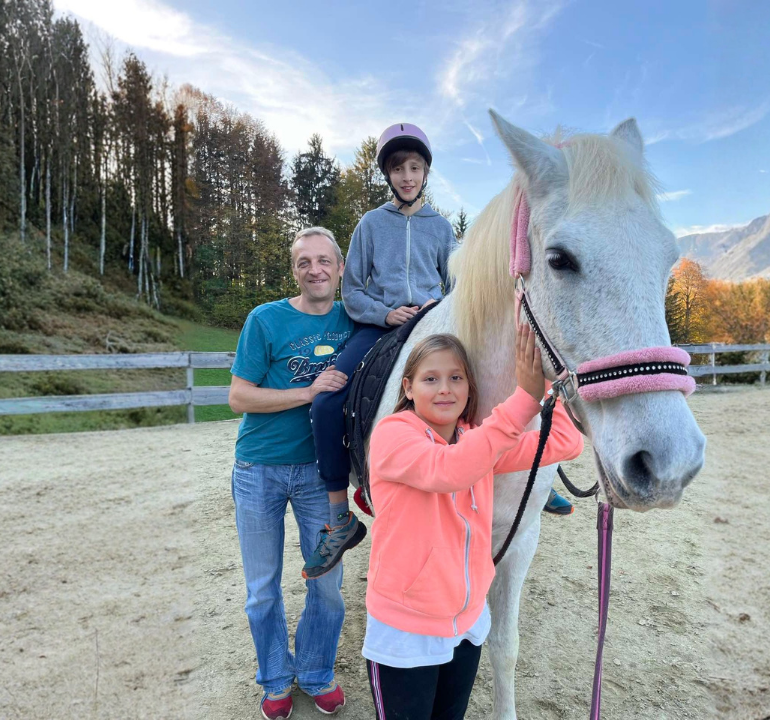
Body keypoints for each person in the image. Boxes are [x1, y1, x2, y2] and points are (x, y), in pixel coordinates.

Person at [362, 326, 583, 719]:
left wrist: (551, 381)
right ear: (408, 387)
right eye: (431, 379)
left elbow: (565, 443)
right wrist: (525, 397)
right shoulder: (392, 435)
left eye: (456, 378)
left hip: (466, 624)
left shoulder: (475, 441)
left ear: (469, 388)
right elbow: (450, 470)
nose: (445, 389)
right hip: (406, 631)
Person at [304, 122, 459, 580]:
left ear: (425, 172)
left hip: (434, 323)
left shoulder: (442, 228)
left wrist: (438, 307)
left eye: (414, 168)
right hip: (379, 326)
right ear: (388, 175)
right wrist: (386, 313)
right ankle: (340, 517)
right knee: (326, 400)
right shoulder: (371, 224)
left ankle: (536, 474)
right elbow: (352, 290)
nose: (407, 176)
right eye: (398, 169)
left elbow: (458, 286)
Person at [227, 227, 355, 719]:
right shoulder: (265, 319)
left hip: (321, 475)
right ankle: (276, 679)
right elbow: (239, 396)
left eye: (324, 261)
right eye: (305, 262)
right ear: (294, 271)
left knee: (327, 585)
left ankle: (317, 672)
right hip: (258, 468)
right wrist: (309, 392)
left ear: (340, 268)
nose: (315, 270)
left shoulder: (353, 318)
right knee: (263, 588)